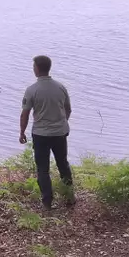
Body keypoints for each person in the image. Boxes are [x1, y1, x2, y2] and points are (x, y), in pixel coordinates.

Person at [19, 55, 74, 210]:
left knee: (43, 169)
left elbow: (25, 114)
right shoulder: (60, 87)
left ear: (36, 69)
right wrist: (62, 123)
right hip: (60, 133)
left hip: (41, 135)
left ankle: (47, 202)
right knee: (63, 163)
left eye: (33, 66)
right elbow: (68, 109)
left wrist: (22, 132)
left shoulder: (32, 90)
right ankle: (69, 196)